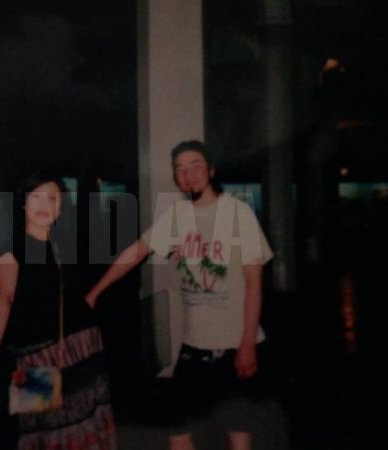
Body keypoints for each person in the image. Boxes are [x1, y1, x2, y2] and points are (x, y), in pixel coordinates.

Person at [85, 140, 273, 450]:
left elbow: (254, 284)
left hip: (235, 345)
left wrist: (248, 345)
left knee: (238, 435)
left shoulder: (238, 213)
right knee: (179, 431)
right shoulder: (177, 216)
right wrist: (95, 292)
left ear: (211, 170)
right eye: (180, 169)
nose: (188, 174)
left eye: (195, 165)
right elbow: (137, 252)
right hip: (193, 347)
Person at [0, 172, 117, 450]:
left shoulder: (65, 243)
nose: (44, 204)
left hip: (82, 348)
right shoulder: (7, 247)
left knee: (88, 426)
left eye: (52, 198)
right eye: (36, 196)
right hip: (37, 354)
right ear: (24, 203)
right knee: (40, 433)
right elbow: (4, 300)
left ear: (60, 207)